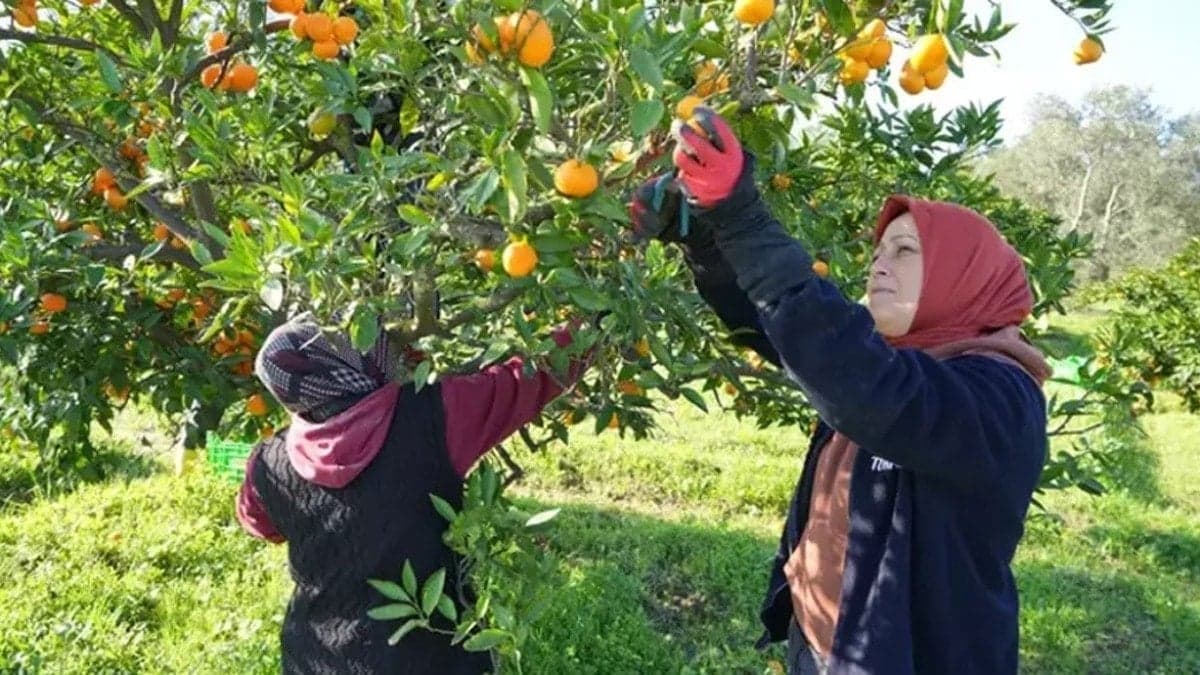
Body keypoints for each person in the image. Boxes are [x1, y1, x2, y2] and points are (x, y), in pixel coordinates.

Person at [629, 107, 1052, 675]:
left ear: (964, 273)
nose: (880, 265)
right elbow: (784, 332)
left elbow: (869, 390)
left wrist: (743, 220)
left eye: (905, 251)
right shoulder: (892, 359)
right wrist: (705, 240)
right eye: (879, 252)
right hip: (822, 643)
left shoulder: (1000, 394)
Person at [235, 312, 589, 674]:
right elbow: (533, 378)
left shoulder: (269, 462)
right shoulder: (435, 415)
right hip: (429, 658)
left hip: (316, 656)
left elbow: (259, 524)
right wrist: (596, 321)